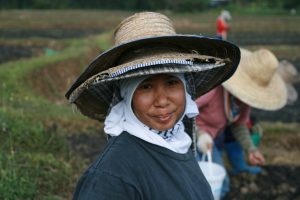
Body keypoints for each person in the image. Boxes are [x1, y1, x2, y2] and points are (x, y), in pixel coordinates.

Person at [65, 12, 240, 200]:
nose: (162, 101)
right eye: (145, 86)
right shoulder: (111, 178)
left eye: (171, 83)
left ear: (185, 87)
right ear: (127, 95)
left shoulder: (179, 143)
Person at [195, 48, 288, 198]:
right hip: (189, 139)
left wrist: (251, 149)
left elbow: (238, 124)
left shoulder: (244, 100)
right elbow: (181, 112)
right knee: (197, 186)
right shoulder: (212, 89)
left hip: (210, 142)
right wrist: (200, 134)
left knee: (222, 185)